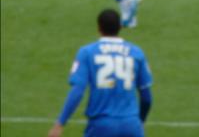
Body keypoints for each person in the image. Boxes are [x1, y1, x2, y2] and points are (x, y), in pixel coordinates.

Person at [47, 9, 153, 137]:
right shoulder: (137, 53)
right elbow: (146, 97)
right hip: (131, 125)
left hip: (101, 126)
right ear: (120, 27)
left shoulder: (87, 52)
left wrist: (60, 123)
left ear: (99, 28)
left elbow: (77, 91)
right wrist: (140, 121)